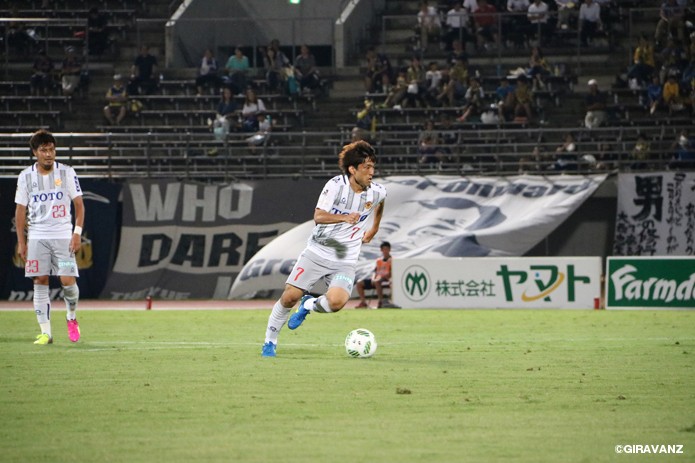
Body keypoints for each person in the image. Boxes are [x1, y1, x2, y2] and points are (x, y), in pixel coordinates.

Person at [261, 140, 387, 357]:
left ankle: (308, 305)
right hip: (317, 252)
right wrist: (344, 217)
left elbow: (381, 202)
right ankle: (270, 342)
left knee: (337, 302)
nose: (371, 172)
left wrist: (374, 227)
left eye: (373, 167)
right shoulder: (335, 186)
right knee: (290, 297)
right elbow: (318, 216)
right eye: (366, 167)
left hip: (345, 260)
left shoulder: (377, 191)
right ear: (352, 169)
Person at [14, 129, 85, 345]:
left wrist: (76, 233)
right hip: (37, 237)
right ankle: (46, 333)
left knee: (67, 281)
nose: (48, 154)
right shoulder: (25, 176)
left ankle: (71, 317)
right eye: (44, 150)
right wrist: (22, 242)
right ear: (35, 152)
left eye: (51, 150)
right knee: (40, 280)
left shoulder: (67, 172)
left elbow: (79, 205)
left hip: (63, 237)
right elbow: (20, 211)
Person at [355, 241, 399, 308]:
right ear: (381, 250)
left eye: (387, 249)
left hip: (386, 280)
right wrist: (373, 278)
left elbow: (392, 272)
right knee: (359, 283)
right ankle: (363, 303)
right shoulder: (379, 260)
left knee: (377, 282)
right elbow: (375, 271)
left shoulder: (393, 260)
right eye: (384, 249)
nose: (385, 251)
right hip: (376, 279)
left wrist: (381, 278)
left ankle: (381, 302)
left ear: (389, 249)